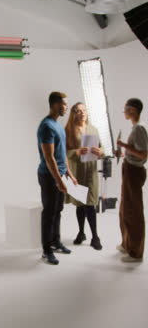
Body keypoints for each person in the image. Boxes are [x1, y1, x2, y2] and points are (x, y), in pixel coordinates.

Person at [37, 91, 77, 265]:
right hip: (49, 176)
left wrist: (69, 174)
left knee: (57, 210)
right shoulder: (46, 126)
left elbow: (62, 154)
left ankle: (55, 242)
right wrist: (59, 181)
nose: (67, 107)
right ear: (55, 104)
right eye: (64, 104)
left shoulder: (58, 125)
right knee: (48, 213)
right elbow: (49, 158)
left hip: (60, 175)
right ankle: (46, 250)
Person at [65, 102, 104, 250]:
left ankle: (95, 236)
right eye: (78, 111)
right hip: (77, 172)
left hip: (91, 172)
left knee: (90, 204)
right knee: (80, 205)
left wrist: (101, 152)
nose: (82, 113)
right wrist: (76, 152)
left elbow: (102, 148)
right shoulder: (68, 130)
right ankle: (81, 233)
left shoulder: (93, 129)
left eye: (84, 110)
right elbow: (62, 153)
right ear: (74, 113)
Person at [116, 98, 148, 262]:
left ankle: (135, 252)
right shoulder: (135, 128)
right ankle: (127, 243)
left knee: (133, 212)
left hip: (134, 172)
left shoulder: (139, 128)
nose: (124, 111)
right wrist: (124, 153)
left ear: (133, 110)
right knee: (124, 209)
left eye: (126, 108)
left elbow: (143, 155)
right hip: (129, 169)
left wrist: (123, 145)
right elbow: (136, 153)